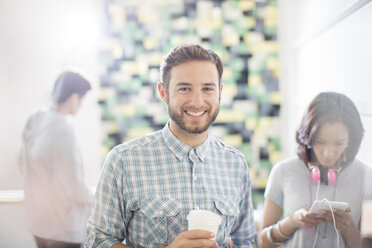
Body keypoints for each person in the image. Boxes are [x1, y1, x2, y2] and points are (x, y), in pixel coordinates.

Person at [85, 44, 257, 248]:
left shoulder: (235, 164)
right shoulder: (123, 161)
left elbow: (245, 241)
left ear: (219, 92)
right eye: (184, 88)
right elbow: (96, 241)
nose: (197, 101)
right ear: (163, 92)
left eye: (207, 88)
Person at [259, 92, 372, 248]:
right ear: (308, 138)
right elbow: (262, 242)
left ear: (350, 139)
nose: (328, 153)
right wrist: (292, 222)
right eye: (320, 142)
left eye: (338, 143)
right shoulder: (283, 172)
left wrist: (348, 227)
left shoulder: (366, 176)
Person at [20, 70, 94, 248]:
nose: (82, 105)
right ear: (74, 97)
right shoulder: (63, 131)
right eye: (82, 99)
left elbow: (22, 164)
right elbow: (75, 188)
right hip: (63, 231)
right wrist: (102, 196)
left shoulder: (36, 118)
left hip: (39, 225)